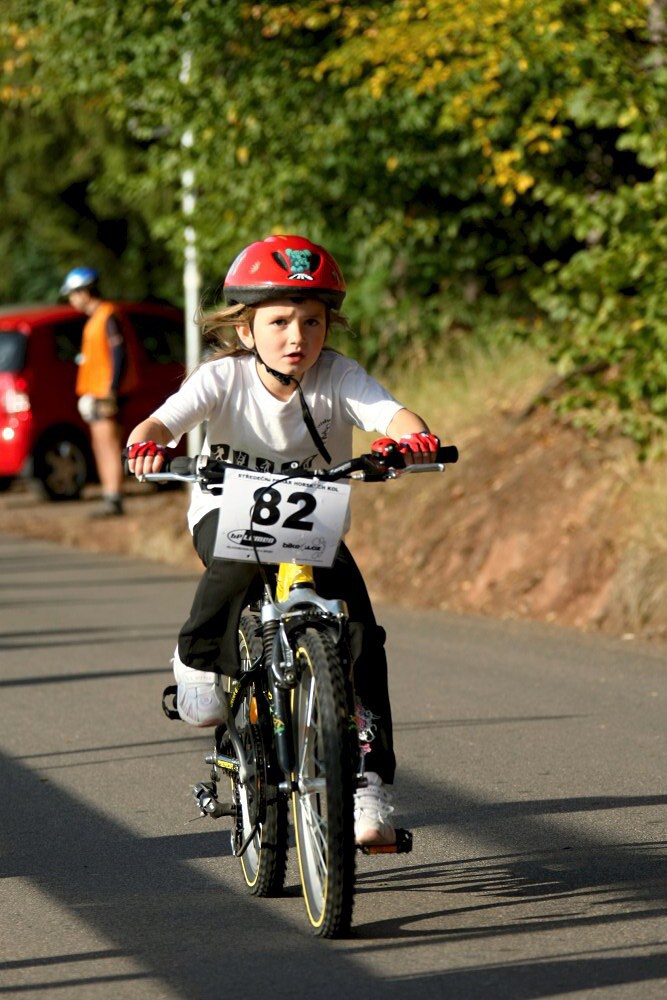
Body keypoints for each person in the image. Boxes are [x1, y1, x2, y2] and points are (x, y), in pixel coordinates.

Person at [126, 234, 441, 847]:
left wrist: (412, 440)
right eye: (279, 322)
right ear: (246, 330)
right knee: (239, 557)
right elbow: (163, 421)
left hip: (312, 527)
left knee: (361, 634)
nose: (298, 336)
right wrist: (147, 443)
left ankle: (367, 783)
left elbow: (393, 415)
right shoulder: (223, 377)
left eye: (312, 321)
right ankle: (197, 657)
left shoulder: (338, 376)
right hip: (224, 510)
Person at [60, 266, 138, 517]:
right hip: (96, 393)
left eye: (73, 294)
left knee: (108, 444)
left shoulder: (107, 315)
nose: (71, 300)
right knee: (100, 444)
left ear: (84, 292)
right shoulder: (95, 319)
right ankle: (109, 495)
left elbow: (118, 352)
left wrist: (112, 390)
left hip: (106, 393)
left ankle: (114, 498)